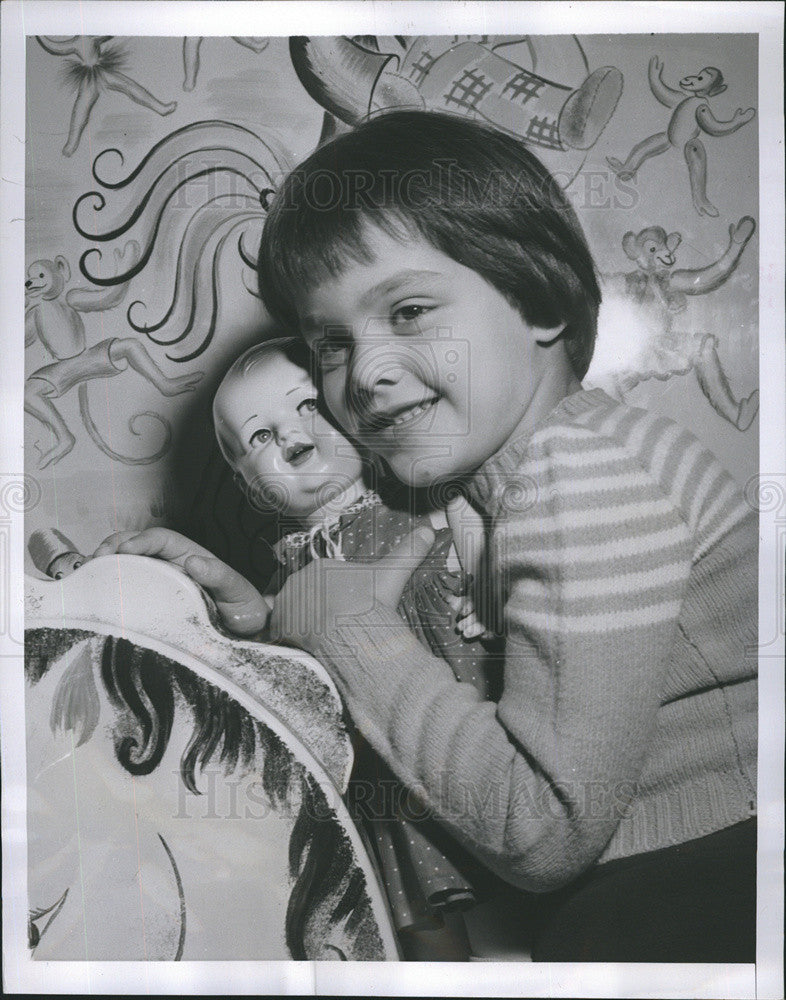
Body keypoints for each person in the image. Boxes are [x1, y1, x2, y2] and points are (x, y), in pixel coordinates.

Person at [242, 109, 755, 963]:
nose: (362, 373)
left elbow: (545, 828)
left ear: (537, 297)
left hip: (706, 882)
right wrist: (261, 626)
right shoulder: (495, 493)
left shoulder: (587, 476)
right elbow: (406, 631)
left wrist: (340, 627)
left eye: (407, 311)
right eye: (330, 342)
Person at [95, 335, 498, 960]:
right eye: (260, 437)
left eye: (308, 406)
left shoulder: (420, 500)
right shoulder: (294, 568)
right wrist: (200, 566)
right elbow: (270, 637)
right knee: (419, 910)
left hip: (462, 718)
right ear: (253, 490)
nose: (293, 438)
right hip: (385, 760)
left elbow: (454, 535)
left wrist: (481, 567)